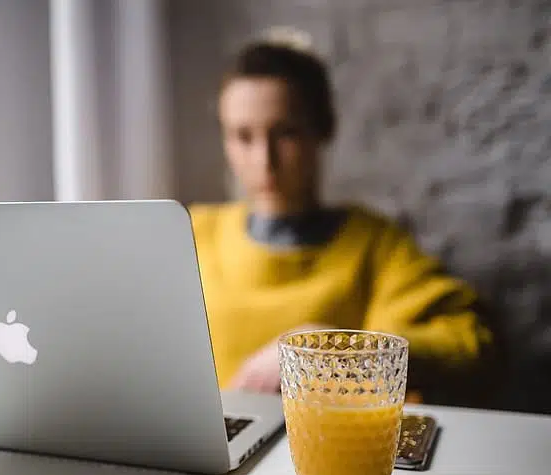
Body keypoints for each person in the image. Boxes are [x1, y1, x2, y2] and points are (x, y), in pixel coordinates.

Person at [188, 27, 495, 404]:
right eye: (243, 136)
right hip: (209, 452)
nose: (263, 161)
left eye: (285, 134)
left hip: (329, 451)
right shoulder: (190, 235)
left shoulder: (374, 245)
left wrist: (337, 349)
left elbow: (470, 340)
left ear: (323, 129)